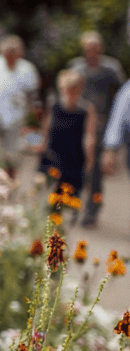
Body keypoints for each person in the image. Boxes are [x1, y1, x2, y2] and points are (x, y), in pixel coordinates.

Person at [67, 31, 125, 226]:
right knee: (76, 167)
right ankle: (73, 206)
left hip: (102, 126)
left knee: (96, 173)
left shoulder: (112, 69)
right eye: (87, 49)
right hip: (78, 125)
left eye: (94, 49)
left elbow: (121, 98)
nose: (91, 52)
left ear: (100, 49)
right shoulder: (76, 68)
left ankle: (93, 209)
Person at [0, 35, 40, 176]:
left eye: (13, 53)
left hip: (14, 118)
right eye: (6, 53)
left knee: (12, 155)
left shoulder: (27, 69)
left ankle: (9, 185)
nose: (9, 57)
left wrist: (32, 122)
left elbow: (33, 98)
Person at [38, 69, 96, 215]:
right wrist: (41, 152)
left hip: (74, 160)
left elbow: (89, 137)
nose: (70, 93)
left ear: (80, 89)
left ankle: (61, 229)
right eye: (66, 89)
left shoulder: (87, 110)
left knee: (69, 202)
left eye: (74, 90)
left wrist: (90, 160)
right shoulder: (54, 106)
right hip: (54, 157)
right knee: (50, 201)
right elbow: (46, 130)